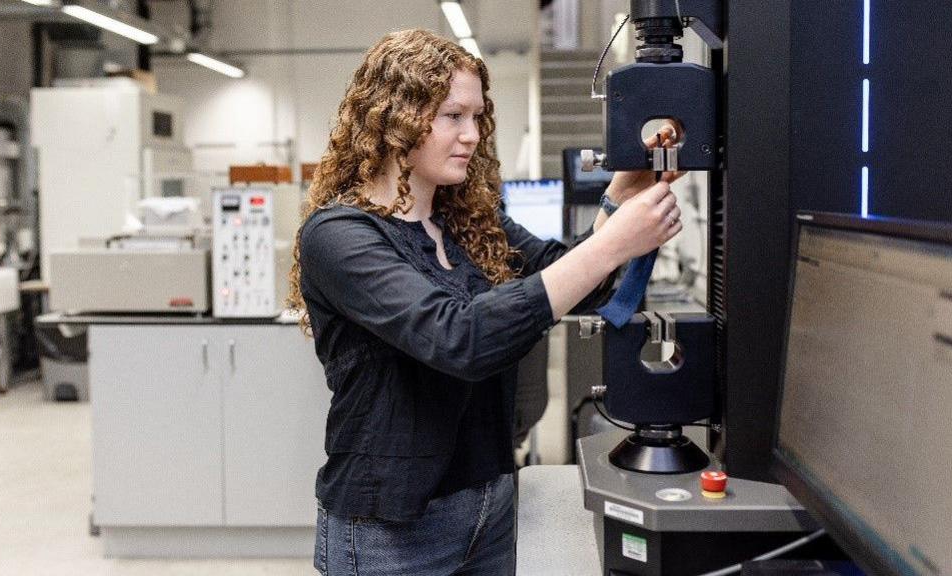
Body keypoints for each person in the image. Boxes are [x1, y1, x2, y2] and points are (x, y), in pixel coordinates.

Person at [288, 28, 684, 576]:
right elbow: (459, 338)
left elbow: (576, 281)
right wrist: (615, 242)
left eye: (477, 117)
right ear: (394, 117)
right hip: (390, 533)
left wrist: (619, 196)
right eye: (453, 116)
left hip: (490, 507)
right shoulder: (340, 237)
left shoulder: (469, 219)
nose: (472, 135)